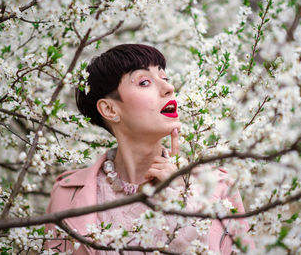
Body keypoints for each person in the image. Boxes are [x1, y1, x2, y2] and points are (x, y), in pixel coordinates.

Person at [45, 44, 253, 254]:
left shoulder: (217, 187)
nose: (168, 88)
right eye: (144, 82)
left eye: (165, 78)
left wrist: (184, 199)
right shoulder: (67, 195)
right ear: (109, 109)